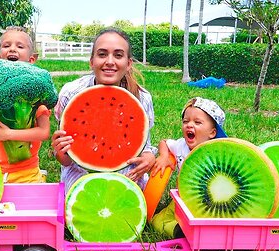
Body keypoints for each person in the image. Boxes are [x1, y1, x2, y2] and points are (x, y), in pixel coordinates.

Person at [51, 28, 157, 192]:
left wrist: (149, 158)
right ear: (91, 61)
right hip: (81, 169)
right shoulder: (71, 93)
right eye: (102, 54)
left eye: (118, 55)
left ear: (128, 64)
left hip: (125, 167)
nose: (109, 61)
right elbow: (66, 159)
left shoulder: (142, 98)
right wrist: (60, 151)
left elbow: (144, 146)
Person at [0, 26, 50, 183]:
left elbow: (44, 132)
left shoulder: (35, 96)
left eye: (19, 46)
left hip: (27, 172)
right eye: (6, 45)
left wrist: (10, 134)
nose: (12, 49)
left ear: (31, 60)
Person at [150, 97, 227, 238]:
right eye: (186, 121)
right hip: (181, 200)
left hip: (207, 205)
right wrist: (163, 156)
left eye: (197, 122)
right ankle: (178, 230)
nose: (189, 125)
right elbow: (164, 142)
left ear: (212, 133)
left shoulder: (217, 153)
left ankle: (196, 232)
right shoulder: (181, 146)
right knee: (156, 222)